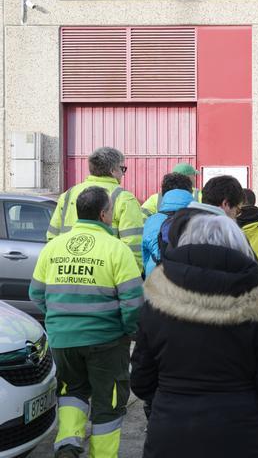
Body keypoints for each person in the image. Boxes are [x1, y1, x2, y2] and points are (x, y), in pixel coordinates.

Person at [131, 214, 258, 458]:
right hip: (242, 431)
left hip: (171, 429)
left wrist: (167, 400)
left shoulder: (157, 299)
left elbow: (142, 376)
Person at [29, 186, 144, 458]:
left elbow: (35, 293)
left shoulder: (53, 247)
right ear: (104, 214)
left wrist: (60, 320)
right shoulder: (116, 249)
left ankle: (68, 445)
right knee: (109, 402)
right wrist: (128, 330)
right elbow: (133, 302)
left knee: (71, 392)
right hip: (106, 341)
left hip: (63, 340)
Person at [47, 146, 145, 271]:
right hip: (104, 272)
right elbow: (133, 243)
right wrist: (133, 274)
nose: (123, 174)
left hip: (66, 271)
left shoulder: (68, 194)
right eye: (122, 169)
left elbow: (52, 236)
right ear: (112, 170)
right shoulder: (124, 198)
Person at [142, 173, 194, 277]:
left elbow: (145, 257)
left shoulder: (151, 221)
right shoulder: (203, 220)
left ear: (163, 194)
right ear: (190, 192)